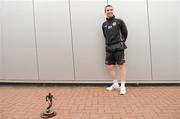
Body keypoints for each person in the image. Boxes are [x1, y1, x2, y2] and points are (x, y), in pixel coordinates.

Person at [102, 4, 128, 95]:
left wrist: (121, 41)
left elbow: (125, 32)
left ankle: (123, 86)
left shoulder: (119, 21)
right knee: (110, 67)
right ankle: (115, 84)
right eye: (107, 10)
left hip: (118, 47)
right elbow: (105, 36)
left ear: (113, 11)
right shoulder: (104, 24)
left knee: (121, 66)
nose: (109, 11)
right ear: (105, 12)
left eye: (111, 10)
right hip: (109, 47)